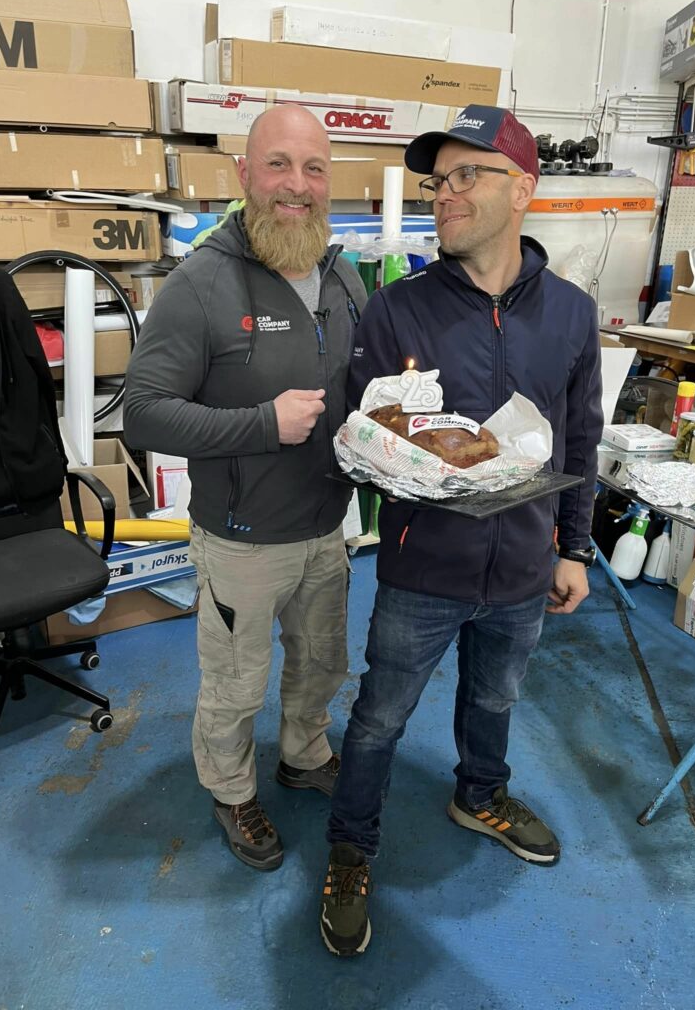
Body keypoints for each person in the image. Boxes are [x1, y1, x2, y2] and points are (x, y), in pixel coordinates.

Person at [318, 104, 604, 956]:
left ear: (523, 188)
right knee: (379, 718)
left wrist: (575, 548)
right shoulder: (395, 310)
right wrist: (387, 453)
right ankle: (351, 849)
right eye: (438, 180)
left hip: (522, 566)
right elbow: (361, 437)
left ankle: (479, 796)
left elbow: (580, 438)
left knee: (496, 698)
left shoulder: (571, 313)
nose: (444, 194)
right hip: (424, 565)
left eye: (466, 175)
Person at [124, 104, 366, 872]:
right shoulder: (201, 283)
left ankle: (304, 754)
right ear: (244, 174)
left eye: (314, 168)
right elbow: (142, 414)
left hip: (327, 527)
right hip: (242, 540)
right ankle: (230, 790)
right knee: (236, 683)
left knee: (322, 662)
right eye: (278, 165)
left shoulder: (342, 273)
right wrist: (263, 424)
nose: (297, 185)